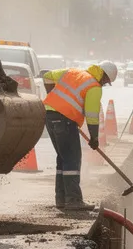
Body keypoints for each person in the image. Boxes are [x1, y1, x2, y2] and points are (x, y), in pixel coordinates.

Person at [42, 61, 118, 211]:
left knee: (62, 158)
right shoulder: (94, 87)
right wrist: (94, 138)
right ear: (103, 75)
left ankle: (61, 199)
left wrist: (52, 96)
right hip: (65, 121)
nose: (104, 85)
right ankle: (73, 200)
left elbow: (47, 76)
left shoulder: (73, 72)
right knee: (72, 158)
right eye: (106, 82)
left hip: (49, 116)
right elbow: (91, 115)